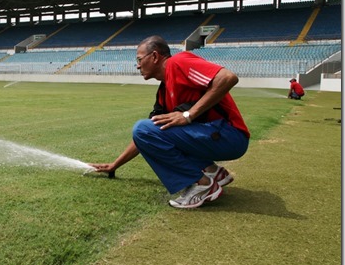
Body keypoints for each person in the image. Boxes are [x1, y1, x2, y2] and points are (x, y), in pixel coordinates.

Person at [90, 35, 250, 209]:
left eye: (139, 59)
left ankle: (202, 184)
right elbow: (146, 136)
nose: (137, 65)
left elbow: (227, 78)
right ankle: (214, 172)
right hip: (215, 137)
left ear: (155, 56)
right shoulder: (163, 92)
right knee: (148, 130)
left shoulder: (178, 62)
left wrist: (188, 115)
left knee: (144, 129)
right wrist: (115, 165)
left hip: (231, 136)